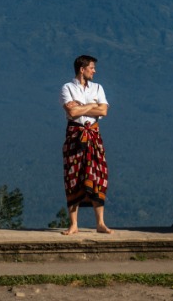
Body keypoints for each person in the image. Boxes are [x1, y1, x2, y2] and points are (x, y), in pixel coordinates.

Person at [60, 54, 110, 235]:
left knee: (98, 175)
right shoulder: (67, 88)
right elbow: (72, 112)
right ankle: (74, 224)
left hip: (93, 134)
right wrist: (92, 106)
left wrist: (84, 105)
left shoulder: (98, 87)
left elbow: (104, 109)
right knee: (73, 177)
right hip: (75, 134)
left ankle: (100, 223)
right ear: (82, 69)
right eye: (92, 68)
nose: (94, 71)